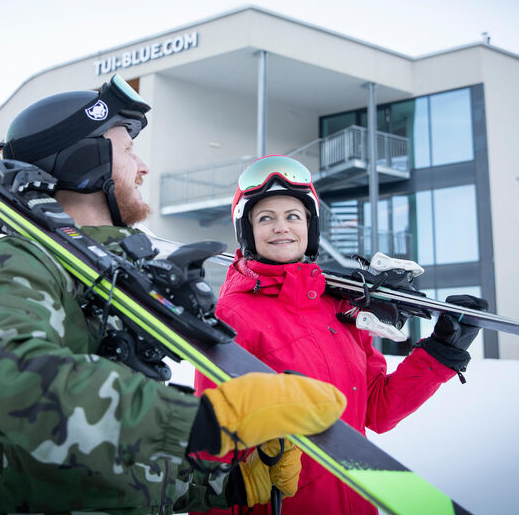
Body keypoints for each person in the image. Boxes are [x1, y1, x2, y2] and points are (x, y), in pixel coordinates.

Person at [0, 79, 348, 515]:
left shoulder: (109, 277)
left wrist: (230, 485)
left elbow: (114, 458)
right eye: (128, 150)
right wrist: (201, 422)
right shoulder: (20, 260)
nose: (143, 167)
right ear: (87, 160)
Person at [193, 155, 485, 515]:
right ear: (248, 231)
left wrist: (440, 353)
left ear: (309, 228)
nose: (281, 227)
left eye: (293, 216)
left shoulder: (338, 308)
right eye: (265, 218)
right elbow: (212, 447)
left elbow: (377, 409)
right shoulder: (232, 316)